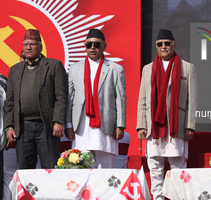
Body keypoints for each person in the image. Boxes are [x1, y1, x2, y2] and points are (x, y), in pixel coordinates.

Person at [137, 29, 198, 200]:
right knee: (155, 166)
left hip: (176, 124)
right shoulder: (147, 69)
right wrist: (141, 124)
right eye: (160, 44)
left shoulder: (187, 67)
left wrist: (190, 125)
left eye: (167, 43)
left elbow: (192, 100)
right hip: (153, 126)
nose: (164, 47)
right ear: (156, 46)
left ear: (174, 45)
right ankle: (158, 198)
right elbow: (142, 98)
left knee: (177, 165)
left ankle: (178, 197)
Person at [4, 29, 68, 169]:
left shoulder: (53, 65)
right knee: (24, 170)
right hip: (23, 127)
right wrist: (9, 126)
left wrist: (58, 121)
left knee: (50, 168)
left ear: (40, 46)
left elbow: (62, 97)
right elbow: (10, 102)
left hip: (47, 126)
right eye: (25, 44)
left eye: (32, 44)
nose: (28, 47)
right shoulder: (15, 69)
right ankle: (27, 192)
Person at [66, 28, 126, 168]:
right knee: (82, 166)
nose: (93, 48)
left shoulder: (115, 69)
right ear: (85, 46)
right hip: (81, 125)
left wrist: (120, 125)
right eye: (89, 44)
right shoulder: (74, 69)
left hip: (105, 125)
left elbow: (120, 99)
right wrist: (68, 125)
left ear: (104, 46)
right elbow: (70, 99)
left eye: (97, 44)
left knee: (105, 168)